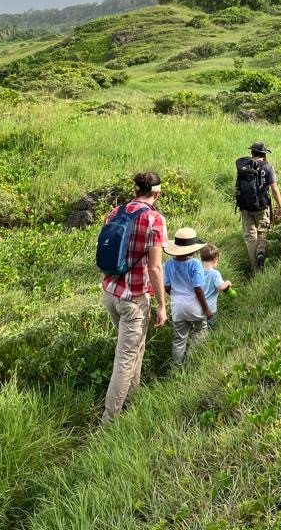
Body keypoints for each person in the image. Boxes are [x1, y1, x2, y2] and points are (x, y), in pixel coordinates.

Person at [100, 171, 168, 422]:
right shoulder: (154, 219)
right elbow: (155, 267)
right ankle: (110, 419)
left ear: (136, 191)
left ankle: (133, 400)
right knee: (126, 358)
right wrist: (162, 304)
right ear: (157, 193)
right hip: (134, 299)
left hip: (111, 292)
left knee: (136, 347)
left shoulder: (116, 212)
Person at [164, 227, 213, 367]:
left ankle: (177, 368)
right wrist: (207, 309)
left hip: (177, 307)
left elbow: (167, 287)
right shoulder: (195, 264)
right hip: (195, 306)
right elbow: (198, 289)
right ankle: (192, 362)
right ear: (193, 249)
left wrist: (176, 295)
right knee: (200, 330)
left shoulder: (168, 264)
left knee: (179, 339)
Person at [235, 141, 281, 273]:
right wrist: (280, 206)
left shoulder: (243, 167)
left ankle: (254, 268)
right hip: (262, 206)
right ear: (264, 154)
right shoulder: (268, 167)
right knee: (262, 232)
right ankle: (261, 252)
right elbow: (274, 188)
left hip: (245, 207)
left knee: (250, 237)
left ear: (252, 152)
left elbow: (237, 188)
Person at [199, 244, 232, 329]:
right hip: (210, 309)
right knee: (209, 328)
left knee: (199, 329)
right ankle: (206, 341)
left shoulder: (198, 272)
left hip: (198, 307)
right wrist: (228, 282)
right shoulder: (215, 274)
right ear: (215, 259)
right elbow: (221, 287)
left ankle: (197, 341)